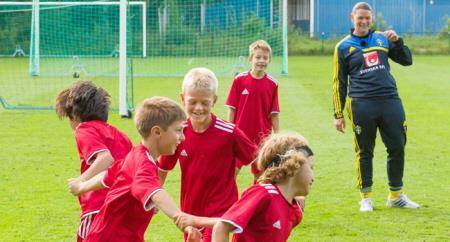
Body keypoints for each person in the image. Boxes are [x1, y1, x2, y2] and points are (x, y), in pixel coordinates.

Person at [85, 97, 214, 242]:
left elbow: (108, 177)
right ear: (157, 132)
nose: (183, 137)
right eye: (178, 130)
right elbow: (156, 192)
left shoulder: (135, 155)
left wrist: (81, 186)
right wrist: (180, 217)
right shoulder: (143, 164)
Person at [332, 2, 420, 212]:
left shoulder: (382, 38)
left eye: (367, 18)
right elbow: (339, 82)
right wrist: (338, 113)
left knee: (397, 146)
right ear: (352, 18)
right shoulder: (343, 47)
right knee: (365, 151)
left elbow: (407, 61)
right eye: (360, 18)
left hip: (390, 100)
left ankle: (395, 195)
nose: (363, 22)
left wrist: (397, 42)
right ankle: (366, 197)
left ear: (371, 19)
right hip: (361, 103)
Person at [158, 67, 258, 242]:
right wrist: (155, 197)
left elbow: (258, 160)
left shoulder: (230, 133)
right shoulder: (179, 133)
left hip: (221, 212)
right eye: (192, 101)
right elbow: (163, 167)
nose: (198, 108)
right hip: (190, 212)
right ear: (182, 99)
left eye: (205, 102)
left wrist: (262, 194)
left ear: (215, 100)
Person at [55, 81, 133, 241]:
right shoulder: (120, 135)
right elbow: (135, 167)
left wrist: (80, 182)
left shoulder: (84, 129)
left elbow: (105, 158)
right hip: (125, 208)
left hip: (98, 206)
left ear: (75, 116)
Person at [212, 133, 314, 242]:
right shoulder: (263, 193)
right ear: (294, 164)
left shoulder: (295, 210)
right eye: (311, 167)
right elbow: (221, 228)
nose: (313, 177)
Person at [225, 39, 280, 176]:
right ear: (250, 58)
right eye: (258, 57)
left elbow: (274, 113)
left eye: (265, 58)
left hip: (262, 137)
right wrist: (229, 131)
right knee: (232, 172)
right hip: (240, 135)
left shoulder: (272, 84)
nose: (261, 60)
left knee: (260, 174)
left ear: (269, 60)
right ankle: (229, 198)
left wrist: (277, 136)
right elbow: (232, 109)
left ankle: (258, 197)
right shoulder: (239, 80)